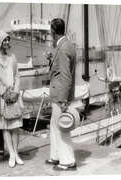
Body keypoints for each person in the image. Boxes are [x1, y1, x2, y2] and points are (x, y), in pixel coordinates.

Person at [0, 30, 24, 168]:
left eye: (8, 40)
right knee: (5, 127)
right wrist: (4, 92)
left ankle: (16, 153)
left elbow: (17, 76)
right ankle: (12, 154)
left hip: (13, 96)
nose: (7, 42)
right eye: (5, 40)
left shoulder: (12, 57)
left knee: (16, 126)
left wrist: (15, 92)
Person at [45, 18, 77, 171]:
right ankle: (55, 156)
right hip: (58, 94)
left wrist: (63, 100)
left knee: (61, 127)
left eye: (50, 31)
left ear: (53, 31)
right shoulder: (67, 45)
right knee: (54, 125)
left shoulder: (63, 48)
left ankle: (67, 161)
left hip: (59, 96)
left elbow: (65, 76)